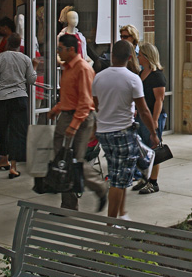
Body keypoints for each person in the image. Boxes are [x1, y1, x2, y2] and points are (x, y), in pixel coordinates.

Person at [91, 39, 158, 219]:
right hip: (123, 132)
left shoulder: (98, 77)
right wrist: (153, 133)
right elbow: (143, 110)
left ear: (112, 56)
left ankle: (122, 214)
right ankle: (112, 224)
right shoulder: (133, 79)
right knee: (118, 182)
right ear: (130, 58)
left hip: (104, 133)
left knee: (117, 173)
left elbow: (96, 105)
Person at [46, 33, 107, 212]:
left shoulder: (83, 69)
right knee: (62, 160)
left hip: (80, 118)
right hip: (66, 115)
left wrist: (74, 125)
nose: (58, 53)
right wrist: (56, 109)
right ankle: (68, 205)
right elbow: (69, 96)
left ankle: (99, 187)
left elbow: (85, 102)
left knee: (75, 161)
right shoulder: (67, 68)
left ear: (71, 49)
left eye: (60, 49)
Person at [0, 33, 36, 178]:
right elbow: (31, 80)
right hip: (20, 97)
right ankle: (12, 166)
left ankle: (4, 158)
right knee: (17, 131)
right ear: (19, 44)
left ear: (7, 43)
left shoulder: (0, 58)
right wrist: (35, 66)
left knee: (3, 129)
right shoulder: (26, 59)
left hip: (1, 99)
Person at [132, 42, 166, 195]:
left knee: (154, 148)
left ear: (146, 57)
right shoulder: (141, 74)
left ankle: (153, 181)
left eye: (140, 55)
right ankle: (144, 178)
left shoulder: (157, 76)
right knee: (142, 148)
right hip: (141, 116)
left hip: (152, 117)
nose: (138, 57)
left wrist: (154, 120)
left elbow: (159, 100)